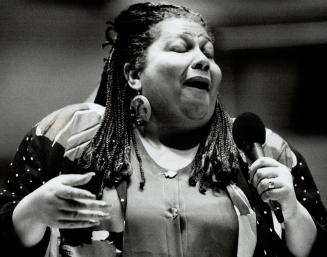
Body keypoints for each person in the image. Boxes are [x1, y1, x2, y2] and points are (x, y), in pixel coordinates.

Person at [0, 2, 326, 257]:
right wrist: (34, 210)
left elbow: (314, 247)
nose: (203, 60)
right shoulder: (65, 135)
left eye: (209, 53)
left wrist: (293, 210)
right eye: (181, 48)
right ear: (133, 74)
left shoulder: (264, 149)